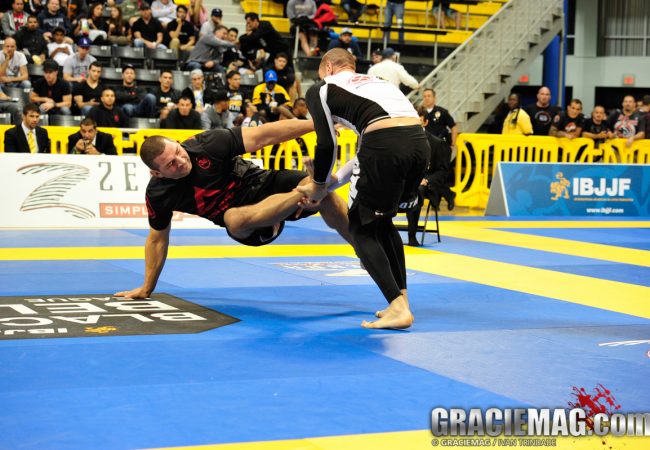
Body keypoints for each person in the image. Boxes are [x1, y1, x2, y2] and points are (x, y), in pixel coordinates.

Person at [114, 119, 350, 300]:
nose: (181, 161)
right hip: (252, 225)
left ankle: (362, 244)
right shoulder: (159, 193)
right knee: (233, 219)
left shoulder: (207, 144)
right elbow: (157, 239)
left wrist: (315, 124)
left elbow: (264, 135)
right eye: (171, 164)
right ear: (156, 173)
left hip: (264, 183)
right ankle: (312, 188)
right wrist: (147, 287)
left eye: (178, 151)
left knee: (327, 197)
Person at [300, 48, 429, 329]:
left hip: (386, 144)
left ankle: (398, 308)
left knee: (359, 228)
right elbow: (366, 154)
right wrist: (330, 182)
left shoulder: (322, 88)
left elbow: (327, 144)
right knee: (381, 223)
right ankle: (401, 301)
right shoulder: (378, 84)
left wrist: (319, 185)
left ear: (328, 67)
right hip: (419, 144)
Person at [404, 106, 451, 246]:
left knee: (417, 191)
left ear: (425, 123)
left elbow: (442, 171)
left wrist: (427, 180)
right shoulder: (403, 141)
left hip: (426, 186)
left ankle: (412, 236)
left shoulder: (437, 143)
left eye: (419, 122)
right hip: (406, 181)